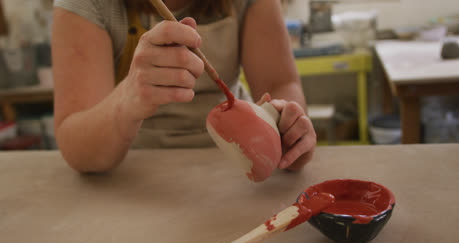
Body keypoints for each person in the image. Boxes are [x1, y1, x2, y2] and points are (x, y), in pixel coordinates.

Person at [52, 0, 316, 173]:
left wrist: (285, 126)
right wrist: (126, 101)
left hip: (235, 167)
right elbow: (77, 147)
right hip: (133, 174)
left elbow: (280, 84)